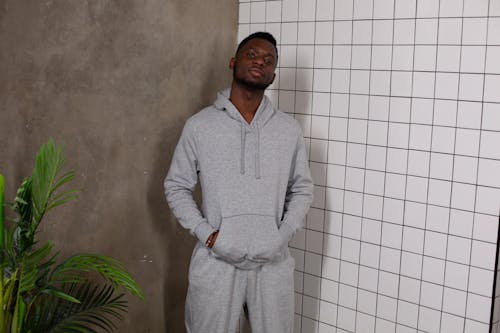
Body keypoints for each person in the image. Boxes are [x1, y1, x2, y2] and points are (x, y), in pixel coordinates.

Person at [164, 32, 313, 333]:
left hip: (272, 263)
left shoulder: (289, 130)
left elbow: (303, 188)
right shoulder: (200, 126)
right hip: (217, 260)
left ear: (273, 76)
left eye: (268, 60)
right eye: (252, 54)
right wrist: (210, 236)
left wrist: (281, 236)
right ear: (234, 62)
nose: (260, 61)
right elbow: (176, 186)